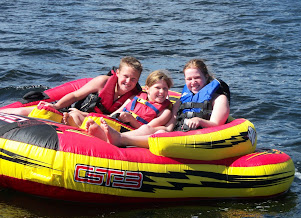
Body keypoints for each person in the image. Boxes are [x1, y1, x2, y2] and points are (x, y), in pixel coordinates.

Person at [86, 59, 230, 149]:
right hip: (179, 133)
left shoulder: (218, 99)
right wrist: (166, 130)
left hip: (200, 138)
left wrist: (199, 120)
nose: (193, 83)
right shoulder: (182, 100)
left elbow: (217, 125)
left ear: (206, 77)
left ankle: (120, 139)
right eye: (189, 79)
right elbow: (172, 122)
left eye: (197, 78)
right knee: (151, 128)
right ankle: (114, 137)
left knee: (161, 134)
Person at [0, 56, 143, 127]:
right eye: (126, 77)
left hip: (89, 120)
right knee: (37, 111)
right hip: (70, 111)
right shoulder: (102, 82)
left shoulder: (133, 96)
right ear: (117, 73)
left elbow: (114, 118)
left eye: (133, 79)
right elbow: (75, 95)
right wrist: (56, 106)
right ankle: (4, 112)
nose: (128, 82)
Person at [85, 70, 173, 140]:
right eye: (158, 88)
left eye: (165, 89)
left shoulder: (165, 112)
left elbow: (146, 130)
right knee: (77, 114)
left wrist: (131, 120)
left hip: (131, 132)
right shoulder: (135, 97)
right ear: (147, 89)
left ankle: (103, 135)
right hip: (117, 122)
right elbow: (113, 114)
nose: (162, 92)